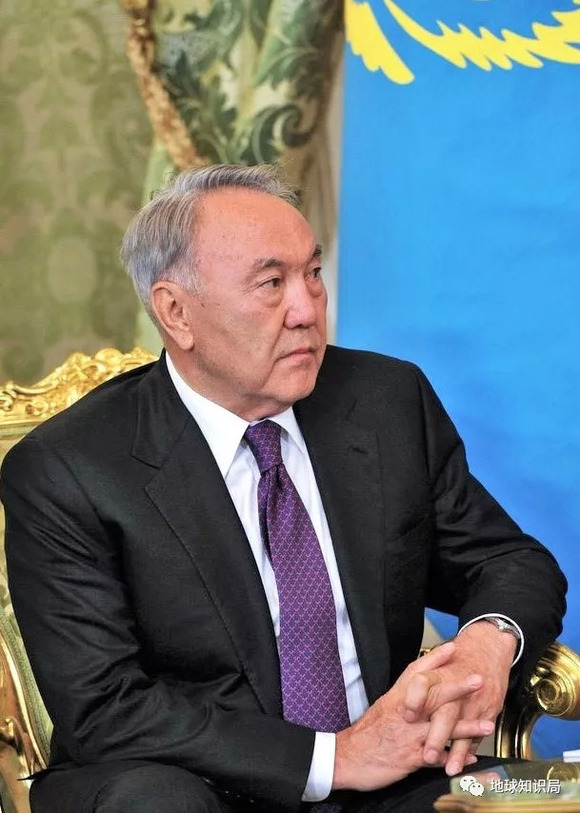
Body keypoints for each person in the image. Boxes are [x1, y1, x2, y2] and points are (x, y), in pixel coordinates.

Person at [0, 164, 566, 813]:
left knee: (549, 792)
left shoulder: (384, 401)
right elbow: (105, 706)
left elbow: (509, 560)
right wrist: (336, 758)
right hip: (192, 780)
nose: (308, 311)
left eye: (313, 274)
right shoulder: (69, 468)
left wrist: (487, 642)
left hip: (394, 775)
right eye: (272, 284)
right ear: (176, 312)